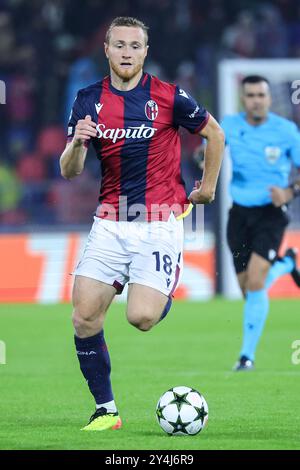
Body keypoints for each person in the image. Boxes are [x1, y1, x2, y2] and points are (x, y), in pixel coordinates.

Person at [59, 16, 224, 431]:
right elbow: (70, 171)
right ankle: (106, 410)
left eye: (135, 45)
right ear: (107, 50)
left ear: (145, 52)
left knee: (142, 318)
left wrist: (207, 188)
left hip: (157, 223)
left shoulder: (169, 97)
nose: (127, 52)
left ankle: (162, 284)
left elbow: (215, 134)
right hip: (110, 221)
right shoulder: (87, 99)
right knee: (83, 317)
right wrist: (77, 143)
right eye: (120, 45)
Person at [222, 75, 300, 371]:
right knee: (249, 290)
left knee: (255, 282)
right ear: (244, 99)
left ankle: (246, 357)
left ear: (269, 98)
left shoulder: (286, 132)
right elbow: (209, 149)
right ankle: (287, 264)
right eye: (251, 94)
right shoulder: (230, 125)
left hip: (271, 212)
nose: (256, 99)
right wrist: (203, 156)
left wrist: (289, 191)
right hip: (239, 214)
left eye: (261, 95)